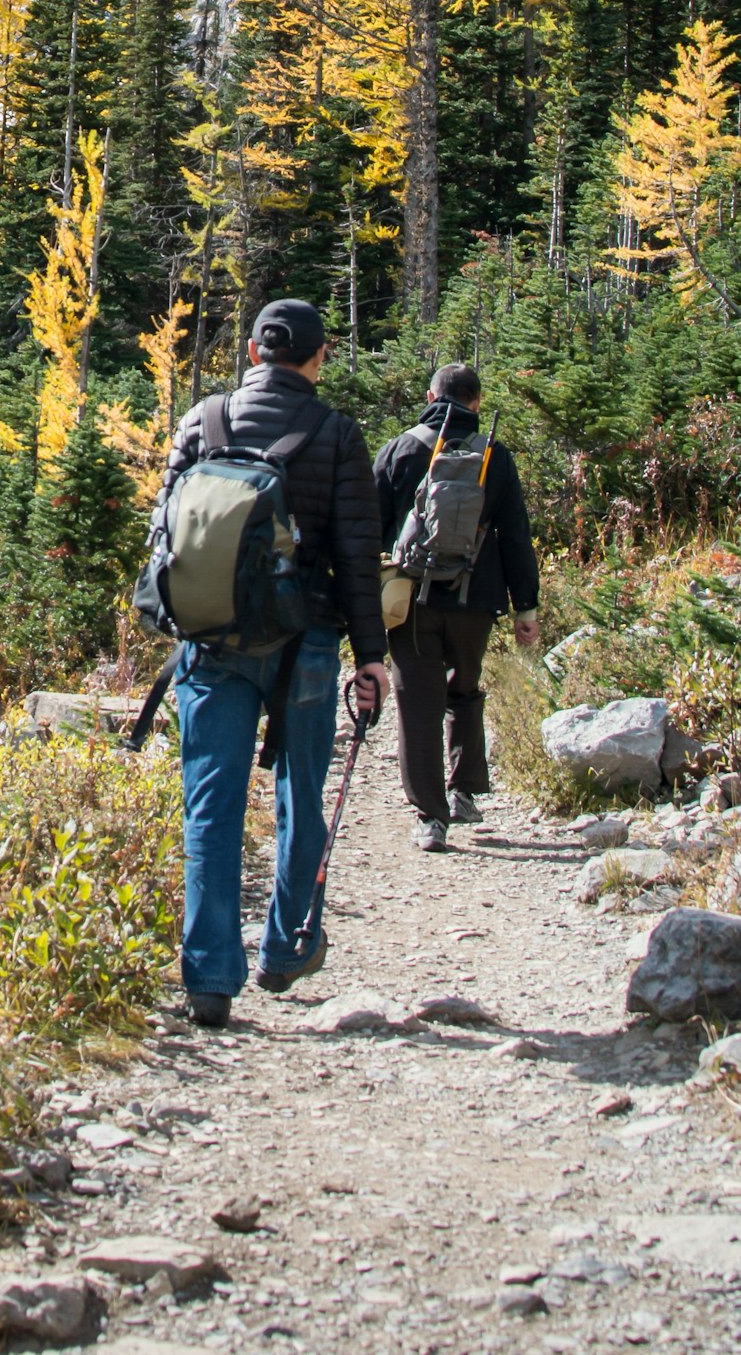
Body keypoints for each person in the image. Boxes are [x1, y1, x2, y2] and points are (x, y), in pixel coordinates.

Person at [156, 297, 386, 1027]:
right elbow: (356, 555)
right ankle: (286, 945)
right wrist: (373, 657)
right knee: (300, 793)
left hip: (212, 642)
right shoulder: (337, 433)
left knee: (211, 802)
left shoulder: (202, 420)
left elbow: (165, 530)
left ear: (254, 352)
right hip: (307, 641)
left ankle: (209, 978)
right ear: (318, 359)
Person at [373, 361, 538, 852]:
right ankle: (464, 790)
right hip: (476, 598)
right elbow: (515, 535)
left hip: (412, 600)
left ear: (431, 396)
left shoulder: (401, 449)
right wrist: (524, 607)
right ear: (477, 402)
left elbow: (369, 525)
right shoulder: (496, 455)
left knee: (417, 703)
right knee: (463, 689)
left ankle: (431, 817)